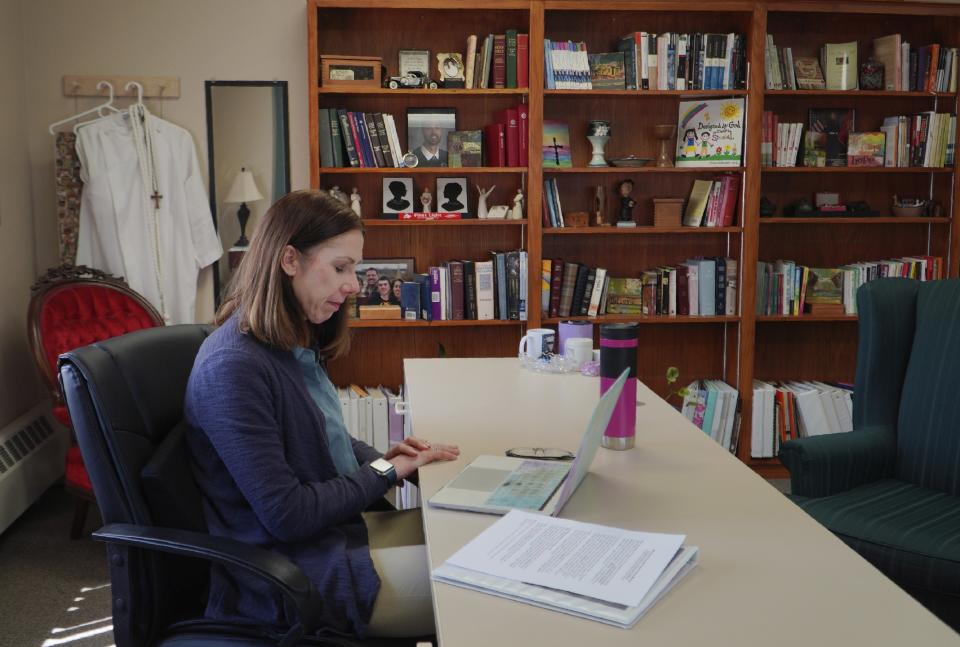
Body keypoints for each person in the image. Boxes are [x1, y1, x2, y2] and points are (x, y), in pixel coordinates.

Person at [184, 190, 459, 639]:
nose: (353, 284)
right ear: (289, 260)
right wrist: (387, 471)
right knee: (496, 589)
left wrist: (388, 458)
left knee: (474, 537)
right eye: (340, 267)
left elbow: (323, 433)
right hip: (293, 575)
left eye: (354, 268)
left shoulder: (289, 342)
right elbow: (286, 515)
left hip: (338, 537)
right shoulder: (232, 368)